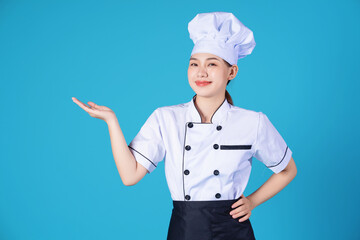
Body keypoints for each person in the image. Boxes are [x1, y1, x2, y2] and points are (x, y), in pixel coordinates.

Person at [72, 11, 297, 240]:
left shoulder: (253, 122)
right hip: (185, 229)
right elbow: (130, 176)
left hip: (232, 231)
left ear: (232, 71)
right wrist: (112, 122)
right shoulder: (165, 118)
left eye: (212, 64)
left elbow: (288, 170)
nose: (201, 72)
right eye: (194, 64)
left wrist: (252, 201)